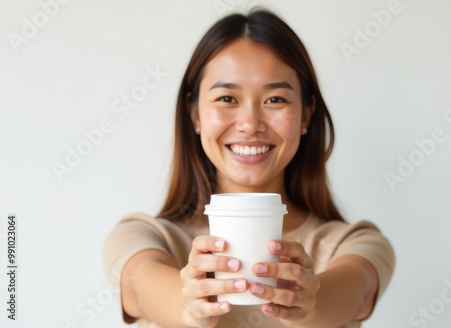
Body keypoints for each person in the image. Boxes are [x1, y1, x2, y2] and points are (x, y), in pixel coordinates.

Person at [103, 8, 395, 328]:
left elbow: (357, 289)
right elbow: (141, 288)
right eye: (227, 98)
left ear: (306, 115)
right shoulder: (142, 237)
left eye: (275, 100)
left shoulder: (354, 244)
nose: (251, 124)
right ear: (195, 115)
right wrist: (190, 307)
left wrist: (309, 305)